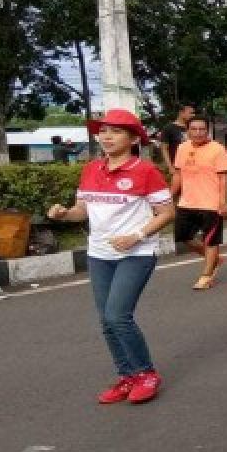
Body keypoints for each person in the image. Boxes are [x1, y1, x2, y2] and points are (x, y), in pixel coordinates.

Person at [47, 109, 175, 404]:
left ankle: (146, 374)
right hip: (100, 253)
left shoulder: (146, 171)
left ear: (133, 138)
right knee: (106, 321)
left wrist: (137, 236)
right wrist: (65, 214)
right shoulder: (91, 169)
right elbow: (82, 209)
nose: (106, 136)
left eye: (116, 131)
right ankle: (127, 376)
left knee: (118, 316)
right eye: (103, 130)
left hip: (137, 253)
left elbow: (167, 212)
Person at [171, 116, 227, 290]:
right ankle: (215, 260)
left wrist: (222, 201)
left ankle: (206, 275)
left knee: (211, 241)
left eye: (202, 129)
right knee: (183, 237)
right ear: (187, 131)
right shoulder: (182, 148)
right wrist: (170, 195)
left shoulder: (217, 149)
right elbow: (178, 174)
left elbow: (223, 177)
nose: (198, 133)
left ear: (208, 130)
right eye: (194, 129)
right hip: (186, 202)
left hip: (210, 203)